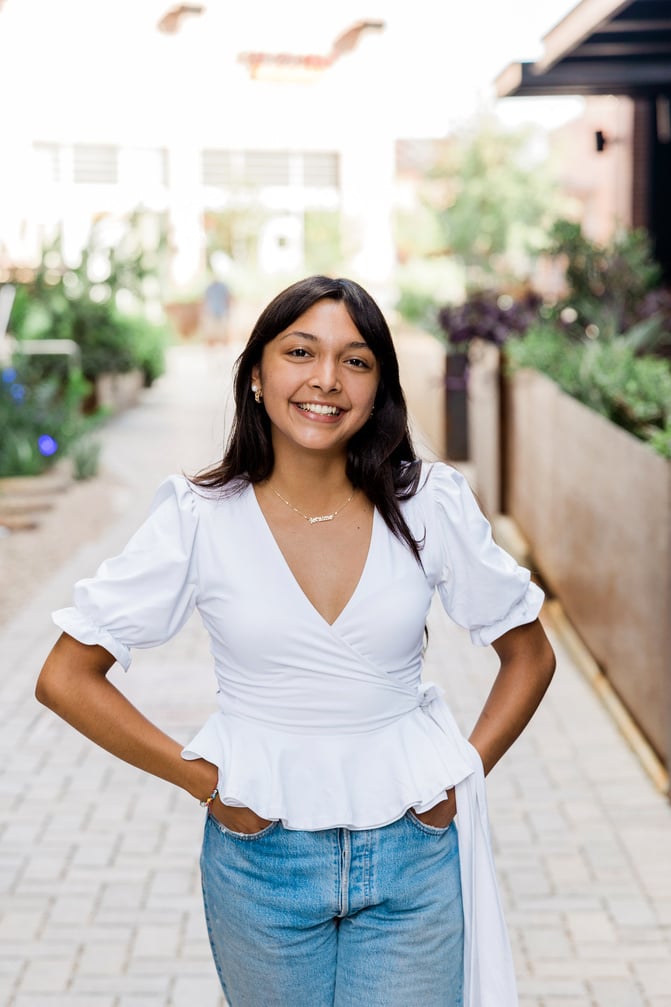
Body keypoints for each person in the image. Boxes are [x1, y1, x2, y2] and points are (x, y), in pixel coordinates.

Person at [36, 275, 555, 1007]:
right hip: (261, 863)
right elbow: (64, 676)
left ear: (379, 386)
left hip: (411, 851)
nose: (325, 379)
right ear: (255, 373)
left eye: (355, 360)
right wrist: (205, 781)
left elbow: (529, 654)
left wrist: (461, 776)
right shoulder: (198, 518)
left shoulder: (427, 504)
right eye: (300, 351)